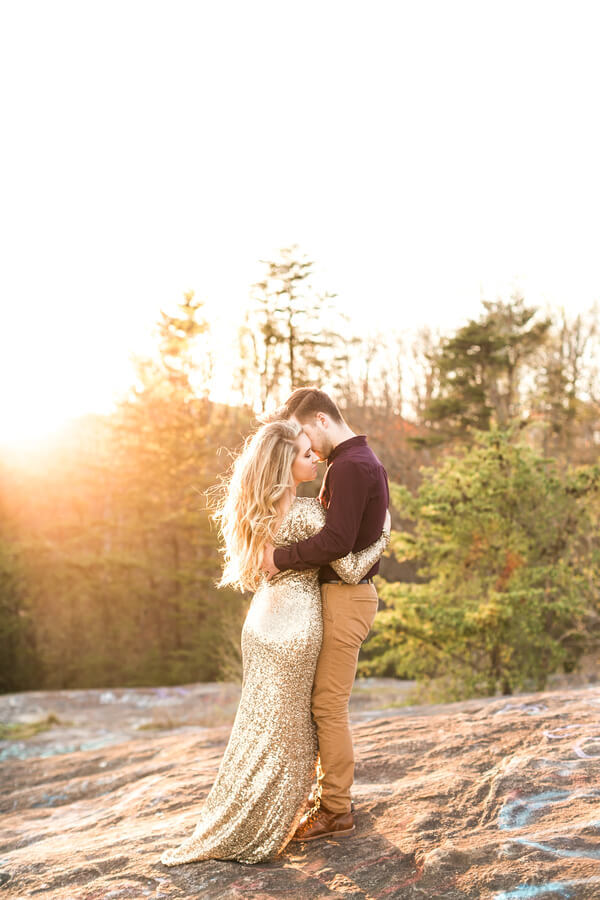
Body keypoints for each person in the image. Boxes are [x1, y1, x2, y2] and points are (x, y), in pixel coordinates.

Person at [160, 420, 390, 866]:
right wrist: (380, 535)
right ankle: (295, 813)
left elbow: (263, 565)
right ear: (286, 462)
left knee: (262, 720)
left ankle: (250, 807)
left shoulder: (258, 508)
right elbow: (344, 562)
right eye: (305, 454)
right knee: (303, 723)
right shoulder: (306, 514)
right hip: (297, 624)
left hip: (263, 622)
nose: (314, 459)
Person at [261, 389, 390, 842]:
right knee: (320, 703)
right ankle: (325, 797)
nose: (307, 448)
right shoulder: (351, 463)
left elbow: (337, 542)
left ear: (321, 418)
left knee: (327, 706)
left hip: (347, 597)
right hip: (337, 595)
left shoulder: (353, 466)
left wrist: (280, 558)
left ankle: (336, 808)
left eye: (305, 435)